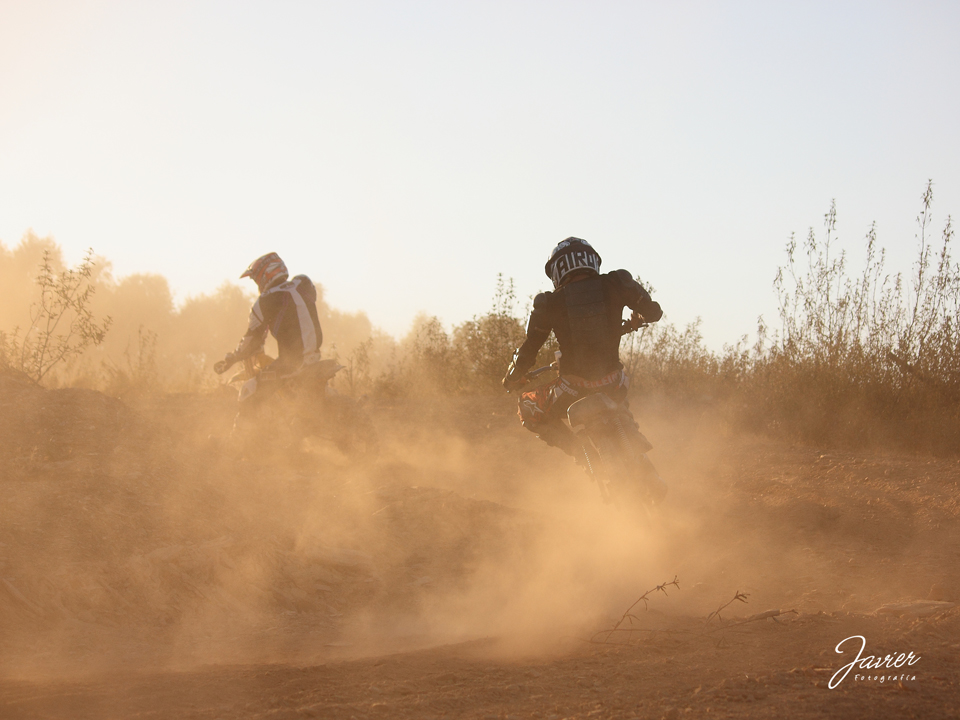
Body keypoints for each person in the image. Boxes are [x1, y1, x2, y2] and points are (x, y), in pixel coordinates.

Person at [502, 237, 662, 473]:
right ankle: (632, 435)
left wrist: (513, 377)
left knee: (527, 406)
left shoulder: (548, 302)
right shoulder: (617, 282)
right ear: (591, 260)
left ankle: (582, 454)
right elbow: (654, 312)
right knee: (620, 398)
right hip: (613, 382)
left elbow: (529, 347)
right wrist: (638, 315)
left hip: (572, 388)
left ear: (557, 269)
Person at [213, 252, 324, 417]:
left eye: (258, 279)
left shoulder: (265, 301)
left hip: (291, 364)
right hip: (315, 357)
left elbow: (251, 340)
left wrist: (232, 358)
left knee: (248, 390)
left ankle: (241, 439)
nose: (258, 284)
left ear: (266, 275)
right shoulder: (303, 283)